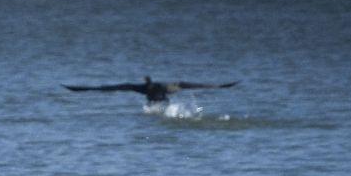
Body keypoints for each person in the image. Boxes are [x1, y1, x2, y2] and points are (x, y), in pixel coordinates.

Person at [62, 76, 238, 103]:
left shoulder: (140, 88)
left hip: (157, 100)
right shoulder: (169, 86)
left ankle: (77, 89)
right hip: (163, 98)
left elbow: (102, 88)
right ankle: (77, 89)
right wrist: (221, 86)